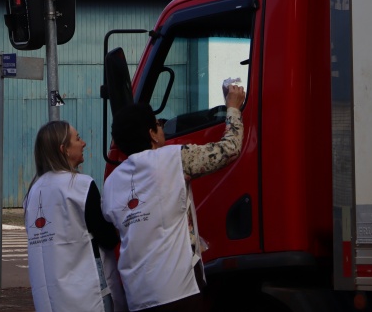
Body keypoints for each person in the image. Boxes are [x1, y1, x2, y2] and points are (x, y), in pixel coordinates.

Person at [102, 81, 247, 312]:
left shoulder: (111, 183)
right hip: (178, 292)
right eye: (159, 125)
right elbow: (228, 149)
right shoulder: (175, 159)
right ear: (151, 134)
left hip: (137, 296)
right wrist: (233, 108)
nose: (163, 129)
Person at [24, 121, 123, 312]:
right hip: (86, 295)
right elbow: (107, 238)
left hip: (48, 299)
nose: (83, 143)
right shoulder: (81, 185)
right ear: (64, 149)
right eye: (78, 139)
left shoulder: (32, 193)